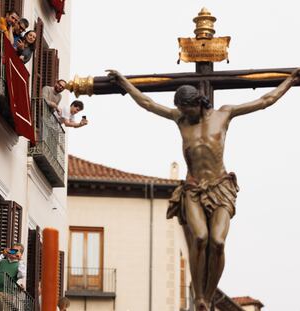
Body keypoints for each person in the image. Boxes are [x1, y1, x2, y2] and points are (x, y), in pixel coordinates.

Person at [106, 68, 300, 311]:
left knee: (217, 241)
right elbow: (147, 103)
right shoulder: (180, 119)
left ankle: (207, 296)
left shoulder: (224, 115)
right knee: (200, 237)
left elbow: (264, 101)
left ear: (198, 103)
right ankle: (199, 297)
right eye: (182, 111)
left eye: (188, 110)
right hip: (193, 189)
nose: (185, 115)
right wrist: (125, 83)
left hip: (221, 187)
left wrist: (290, 81)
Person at [0, 243, 26, 311]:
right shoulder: (2, 261)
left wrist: (20, 260)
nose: (13, 252)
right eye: (12, 250)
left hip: (8, 294)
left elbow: (22, 275)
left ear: (20, 254)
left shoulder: (19, 265)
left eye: (16, 250)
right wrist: (3, 254)